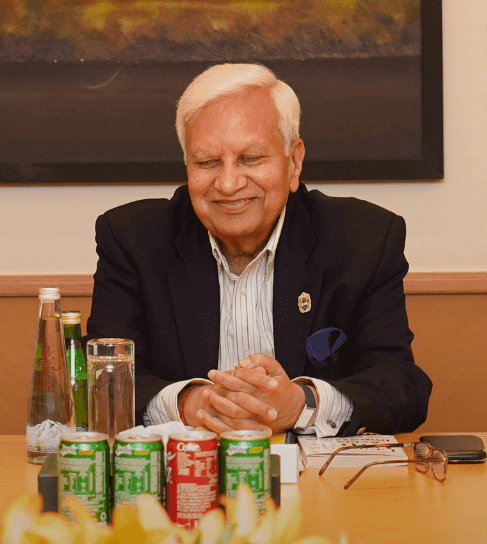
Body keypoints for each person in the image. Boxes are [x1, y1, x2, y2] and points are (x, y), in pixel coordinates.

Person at [90, 64, 431, 437]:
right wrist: (188, 404)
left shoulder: (363, 240)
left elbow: (401, 387)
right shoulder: (132, 240)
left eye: (250, 159)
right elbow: (104, 381)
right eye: (207, 162)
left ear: (294, 162)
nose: (228, 183)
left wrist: (301, 404)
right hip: (186, 469)